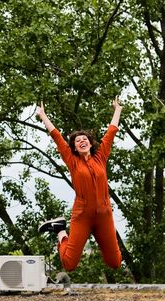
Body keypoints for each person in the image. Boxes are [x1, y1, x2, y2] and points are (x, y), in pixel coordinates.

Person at [37, 97, 123, 272]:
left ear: (90, 144)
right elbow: (57, 137)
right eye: (78, 141)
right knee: (69, 264)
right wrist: (42, 115)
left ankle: (71, 232)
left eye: (85, 139)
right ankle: (60, 231)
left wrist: (118, 110)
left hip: (104, 216)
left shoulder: (100, 158)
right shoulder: (72, 161)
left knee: (115, 262)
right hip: (82, 215)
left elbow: (111, 132)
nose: (82, 141)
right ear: (75, 148)